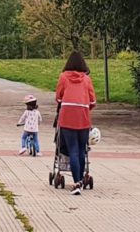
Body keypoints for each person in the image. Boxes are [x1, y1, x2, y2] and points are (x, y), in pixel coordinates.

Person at [55, 50, 97, 195]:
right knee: (81, 150)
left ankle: (77, 182)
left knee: (72, 149)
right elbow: (93, 100)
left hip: (67, 116)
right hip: (83, 117)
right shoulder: (86, 79)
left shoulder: (63, 77)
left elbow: (59, 97)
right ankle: (80, 180)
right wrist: (86, 106)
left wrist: (64, 102)